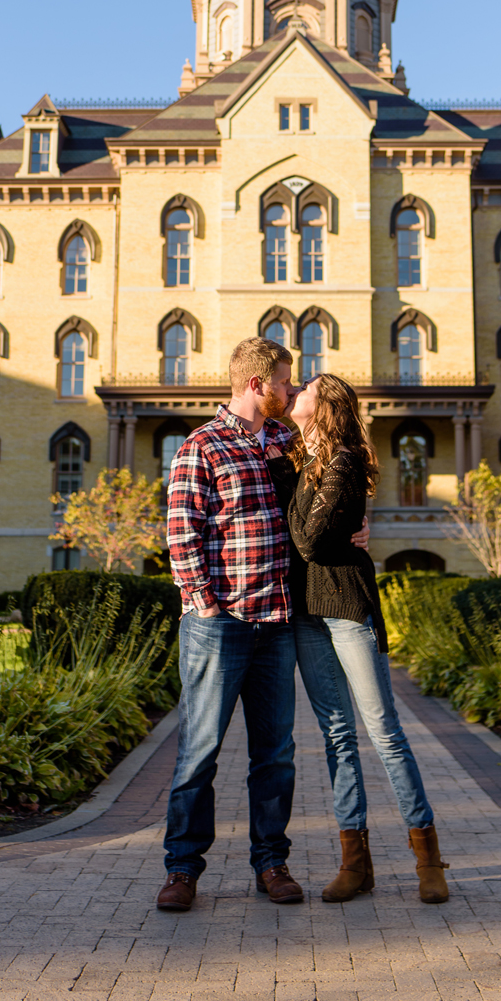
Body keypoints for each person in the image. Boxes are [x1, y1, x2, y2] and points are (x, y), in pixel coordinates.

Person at [285, 373, 449, 904]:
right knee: (337, 737)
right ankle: (355, 863)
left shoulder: (344, 460)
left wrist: (320, 509)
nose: (294, 394)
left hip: (348, 607)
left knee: (384, 733)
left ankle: (428, 858)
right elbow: (308, 531)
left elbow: (308, 540)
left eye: (303, 388)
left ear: (324, 404)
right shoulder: (297, 459)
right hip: (306, 612)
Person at [157, 336, 306, 912]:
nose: (290, 393)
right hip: (220, 625)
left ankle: (272, 861)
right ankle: (182, 868)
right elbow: (181, 531)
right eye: (285, 384)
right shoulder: (202, 446)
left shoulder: (286, 445)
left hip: (278, 625)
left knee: (276, 755)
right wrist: (204, 602)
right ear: (256, 384)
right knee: (200, 751)